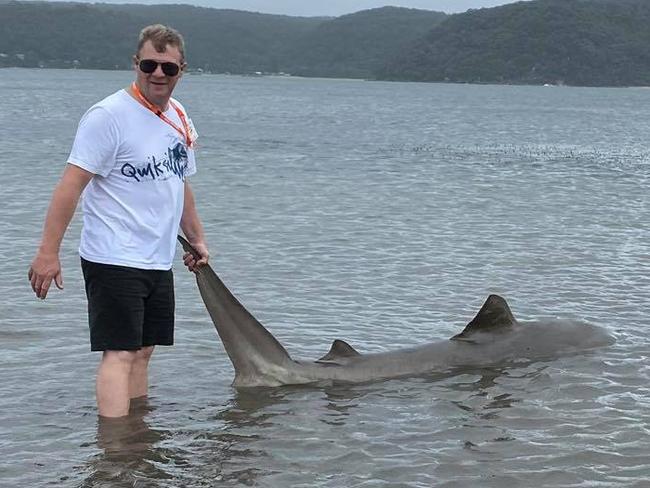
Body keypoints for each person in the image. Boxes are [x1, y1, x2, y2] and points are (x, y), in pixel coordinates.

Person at [28, 24, 209, 418]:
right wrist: (47, 253)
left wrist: (196, 238)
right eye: (149, 64)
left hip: (157, 256)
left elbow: (180, 184)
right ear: (135, 64)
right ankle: (113, 451)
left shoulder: (178, 116)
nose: (158, 74)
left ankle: (136, 437)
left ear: (182, 70)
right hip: (113, 255)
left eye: (168, 68)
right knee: (120, 353)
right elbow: (69, 186)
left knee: (144, 352)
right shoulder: (107, 116)